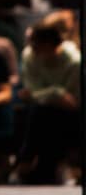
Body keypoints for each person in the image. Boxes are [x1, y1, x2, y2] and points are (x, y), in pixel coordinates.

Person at [16, 19, 81, 184]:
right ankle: (44, 167)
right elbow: (31, 91)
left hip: (67, 113)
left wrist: (44, 95)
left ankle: (27, 160)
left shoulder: (74, 62)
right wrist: (56, 92)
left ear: (50, 44)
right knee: (39, 112)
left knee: (46, 115)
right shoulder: (29, 56)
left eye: (36, 46)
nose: (33, 49)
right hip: (40, 110)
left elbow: (73, 101)